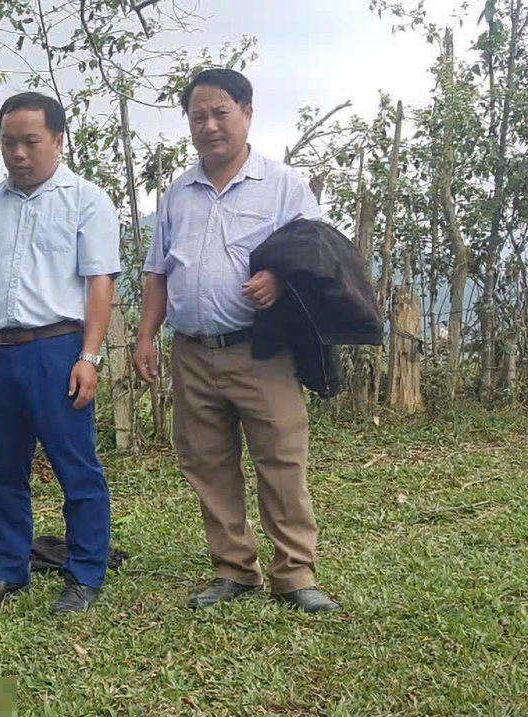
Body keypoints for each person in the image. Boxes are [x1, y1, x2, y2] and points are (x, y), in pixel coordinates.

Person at [134, 69, 341, 613]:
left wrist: (279, 278)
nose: (209, 125)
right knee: (207, 464)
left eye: (220, 112)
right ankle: (233, 570)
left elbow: (316, 253)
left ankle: (295, 574)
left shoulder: (282, 185)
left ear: (247, 113)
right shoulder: (178, 193)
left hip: (262, 351)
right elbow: (158, 270)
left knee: (281, 461)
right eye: (198, 116)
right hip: (193, 352)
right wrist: (145, 338)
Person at [0, 92, 120, 617]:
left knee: (75, 467)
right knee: (1, 469)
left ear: (59, 140)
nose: (18, 153)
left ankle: (86, 573)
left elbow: (100, 284)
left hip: (58, 350)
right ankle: (7, 569)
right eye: (8, 142)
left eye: (30, 141)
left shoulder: (87, 200)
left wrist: (89, 357)